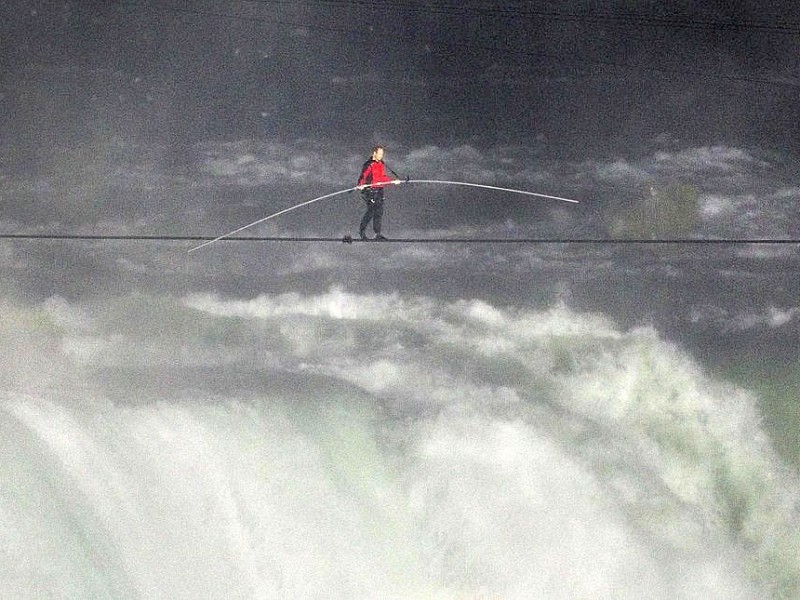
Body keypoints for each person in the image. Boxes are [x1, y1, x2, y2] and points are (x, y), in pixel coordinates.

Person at [356, 145, 401, 241]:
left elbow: (382, 177)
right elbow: (363, 175)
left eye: (382, 154)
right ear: (374, 153)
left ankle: (378, 234)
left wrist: (393, 181)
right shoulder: (369, 164)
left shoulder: (381, 164)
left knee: (379, 212)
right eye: (379, 154)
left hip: (379, 190)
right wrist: (360, 184)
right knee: (371, 211)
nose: (381, 156)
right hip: (370, 190)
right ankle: (362, 232)